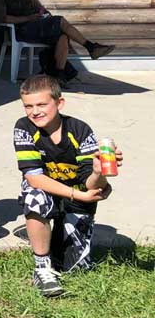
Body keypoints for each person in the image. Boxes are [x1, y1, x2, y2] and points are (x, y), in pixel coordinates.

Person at [13, 74, 123, 297]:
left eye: (42, 104)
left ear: (59, 103)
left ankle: (46, 233)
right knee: (34, 196)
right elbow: (34, 178)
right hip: (51, 192)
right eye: (28, 106)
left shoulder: (80, 130)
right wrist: (77, 195)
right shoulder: (24, 127)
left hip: (77, 196)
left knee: (74, 267)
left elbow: (89, 183)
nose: (35, 111)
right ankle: (41, 267)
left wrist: (98, 172)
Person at [0, 0, 115, 82]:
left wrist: (43, 14)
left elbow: (42, 10)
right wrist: (29, 18)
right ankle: (91, 47)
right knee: (59, 20)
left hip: (38, 27)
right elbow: (2, 18)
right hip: (20, 31)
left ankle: (59, 75)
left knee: (62, 36)